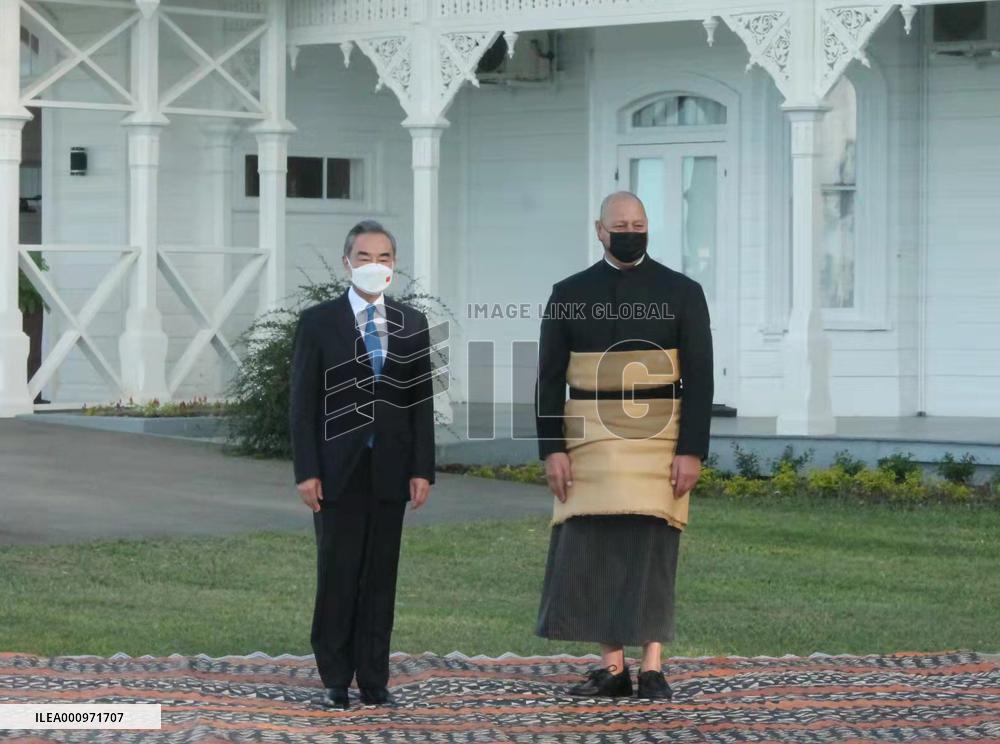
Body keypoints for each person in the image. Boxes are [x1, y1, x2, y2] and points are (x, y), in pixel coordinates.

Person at [534, 191, 714, 700]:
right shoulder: (568, 293)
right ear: (600, 230)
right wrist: (553, 448)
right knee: (594, 548)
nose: (630, 233)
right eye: (620, 226)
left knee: (653, 547)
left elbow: (700, 378)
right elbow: (549, 379)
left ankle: (652, 666)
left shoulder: (683, 291)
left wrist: (691, 450)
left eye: (638, 225)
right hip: (588, 440)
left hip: (660, 437)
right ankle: (611, 668)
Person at [289, 220, 436, 709]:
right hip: (337, 470)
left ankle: (374, 678)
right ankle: (335, 676)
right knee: (338, 572)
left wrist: (422, 468)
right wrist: (306, 470)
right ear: (347, 263)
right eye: (365, 256)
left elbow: (420, 403)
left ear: (395, 265)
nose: (375, 265)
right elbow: (302, 404)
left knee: (379, 576)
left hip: (390, 468)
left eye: (384, 257)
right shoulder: (318, 322)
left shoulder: (412, 323)